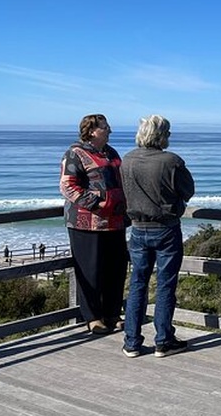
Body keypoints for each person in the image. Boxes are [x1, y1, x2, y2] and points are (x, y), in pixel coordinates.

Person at [120, 115, 195, 358]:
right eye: (168, 133)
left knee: (137, 284)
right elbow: (188, 190)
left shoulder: (127, 159)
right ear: (162, 135)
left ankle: (132, 341)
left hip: (138, 229)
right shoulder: (171, 161)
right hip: (166, 228)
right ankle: (163, 340)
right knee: (165, 285)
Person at [60, 114, 130, 335]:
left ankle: (112, 313)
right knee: (90, 270)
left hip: (115, 222)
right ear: (91, 131)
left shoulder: (111, 152)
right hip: (86, 224)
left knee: (116, 269)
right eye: (104, 127)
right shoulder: (75, 153)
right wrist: (99, 204)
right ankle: (93, 317)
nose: (109, 130)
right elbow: (68, 186)